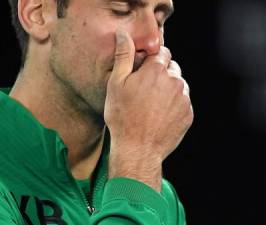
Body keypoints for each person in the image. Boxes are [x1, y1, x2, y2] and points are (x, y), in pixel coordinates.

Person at [0, 0, 193, 224]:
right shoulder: (139, 180)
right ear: (38, 13)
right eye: (121, 11)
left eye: (159, 20)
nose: (152, 42)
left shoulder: (159, 196)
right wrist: (137, 162)